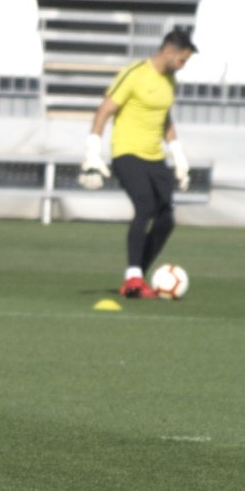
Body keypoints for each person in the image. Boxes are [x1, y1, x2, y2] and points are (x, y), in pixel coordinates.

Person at [79, 28, 197, 299]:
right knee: (145, 206)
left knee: (166, 217)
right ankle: (133, 277)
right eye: (182, 60)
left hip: (156, 157)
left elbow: (164, 118)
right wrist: (92, 151)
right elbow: (105, 110)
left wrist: (178, 155)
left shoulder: (170, 82)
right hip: (127, 153)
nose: (182, 66)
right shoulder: (134, 74)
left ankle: (137, 278)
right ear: (168, 51)